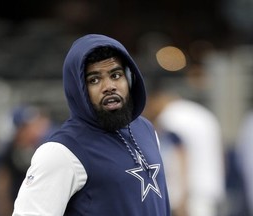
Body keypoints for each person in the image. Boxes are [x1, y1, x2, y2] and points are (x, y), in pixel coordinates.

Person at [12, 34, 171, 215]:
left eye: (116, 75)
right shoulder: (61, 151)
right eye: (94, 80)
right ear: (78, 89)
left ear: (129, 78)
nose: (109, 86)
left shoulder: (146, 129)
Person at [143, 73, 225, 216]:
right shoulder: (199, 112)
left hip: (191, 195)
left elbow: (180, 156)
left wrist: (182, 199)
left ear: (157, 98)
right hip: (211, 188)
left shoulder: (171, 117)